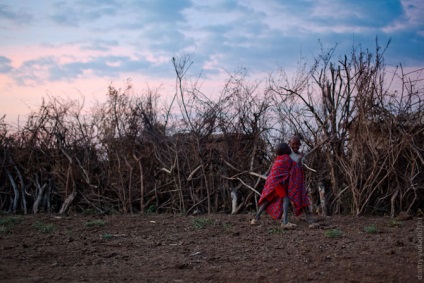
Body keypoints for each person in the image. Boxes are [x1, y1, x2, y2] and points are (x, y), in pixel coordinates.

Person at [251, 142, 297, 229]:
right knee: (286, 199)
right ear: (285, 150)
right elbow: (294, 165)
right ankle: (285, 222)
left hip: (271, 182)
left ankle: (255, 219)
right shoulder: (287, 159)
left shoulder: (278, 159)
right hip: (277, 183)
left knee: (267, 200)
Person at [288, 135, 314, 224]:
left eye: (297, 144)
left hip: (299, 182)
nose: (296, 146)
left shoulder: (302, 156)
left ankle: (309, 217)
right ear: (290, 144)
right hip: (288, 181)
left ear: (300, 144)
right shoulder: (287, 155)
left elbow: (303, 169)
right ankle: (284, 220)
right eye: (293, 144)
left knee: (303, 198)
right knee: (284, 199)